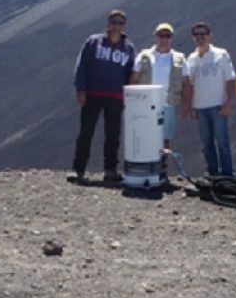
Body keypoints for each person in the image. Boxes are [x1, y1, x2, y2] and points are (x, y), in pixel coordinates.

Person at [72, 10, 137, 182]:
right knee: (86, 132)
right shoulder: (93, 42)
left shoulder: (129, 48)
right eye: (114, 22)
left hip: (116, 96)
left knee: (113, 134)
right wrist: (80, 89)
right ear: (108, 24)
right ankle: (78, 170)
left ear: (124, 26)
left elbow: (131, 73)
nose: (117, 26)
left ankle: (110, 170)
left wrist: (130, 94)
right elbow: (82, 66)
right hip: (92, 94)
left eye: (120, 23)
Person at [185, 22, 236, 176]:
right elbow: (191, 84)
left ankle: (228, 174)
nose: (200, 37)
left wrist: (227, 104)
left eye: (203, 34)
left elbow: (230, 79)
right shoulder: (192, 58)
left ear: (209, 35)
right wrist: (192, 106)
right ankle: (212, 172)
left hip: (217, 105)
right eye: (197, 35)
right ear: (193, 37)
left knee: (222, 142)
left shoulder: (221, 54)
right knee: (206, 144)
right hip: (200, 107)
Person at [130, 22, 191, 148]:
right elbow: (134, 80)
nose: (164, 39)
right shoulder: (144, 56)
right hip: (146, 104)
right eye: (161, 35)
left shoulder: (179, 59)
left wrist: (187, 105)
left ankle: (162, 165)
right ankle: (146, 164)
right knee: (145, 135)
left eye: (167, 36)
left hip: (168, 104)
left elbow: (186, 83)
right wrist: (132, 103)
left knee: (165, 138)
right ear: (155, 37)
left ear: (171, 38)